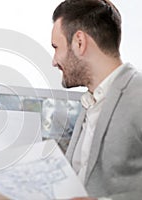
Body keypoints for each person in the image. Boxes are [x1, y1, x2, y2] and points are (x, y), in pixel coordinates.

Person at [51, 0, 142, 199]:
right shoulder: (91, 101)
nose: (54, 61)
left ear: (79, 42)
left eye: (56, 47)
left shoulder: (138, 96)